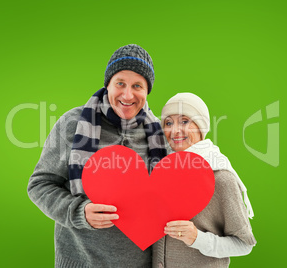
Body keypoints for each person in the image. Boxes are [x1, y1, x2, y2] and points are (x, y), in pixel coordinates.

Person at [28, 44, 168, 268]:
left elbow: (168, 197)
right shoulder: (72, 123)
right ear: (108, 84)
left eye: (137, 86)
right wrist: (79, 212)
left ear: (147, 91)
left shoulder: (159, 135)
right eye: (120, 83)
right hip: (80, 261)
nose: (128, 94)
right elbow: (40, 185)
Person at [153, 93, 257, 268]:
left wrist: (197, 238)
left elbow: (244, 244)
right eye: (168, 123)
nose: (175, 130)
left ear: (200, 126)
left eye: (184, 121)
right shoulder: (159, 172)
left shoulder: (221, 177)